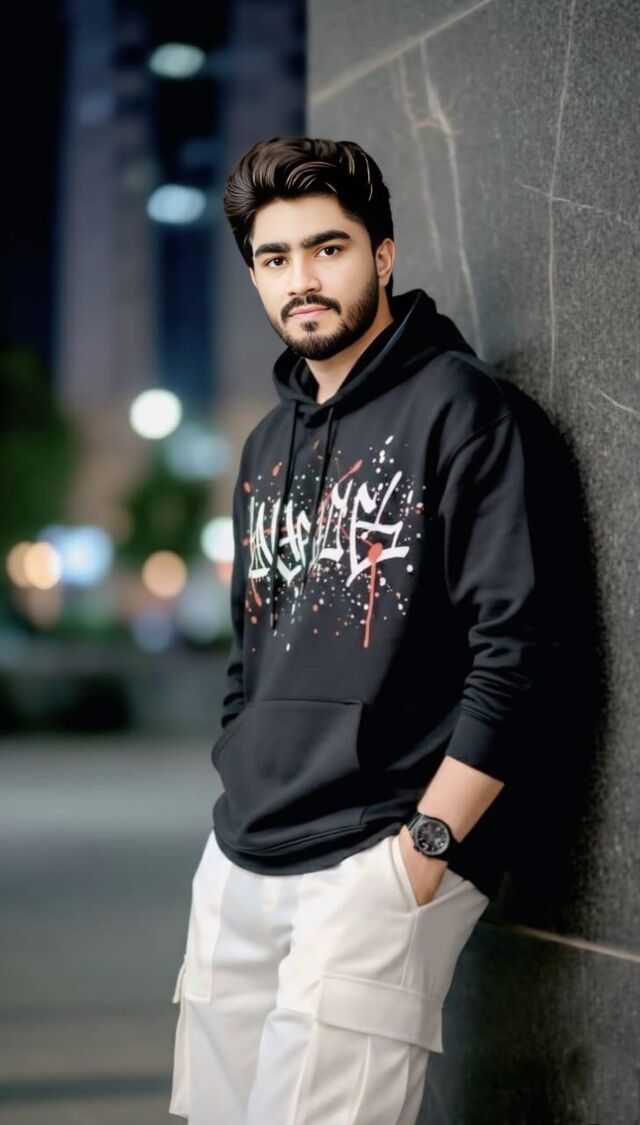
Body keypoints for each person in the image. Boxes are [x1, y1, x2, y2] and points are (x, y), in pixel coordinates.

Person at [169, 136, 562, 1124]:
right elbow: (249, 651)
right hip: (241, 856)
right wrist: (238, 779)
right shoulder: (267, 443)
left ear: (382, 255)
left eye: (328, 248)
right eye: (274, 257)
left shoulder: (465, 411)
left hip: (376, 858)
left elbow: (517, 649)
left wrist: (423, 850)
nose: (301, 279)